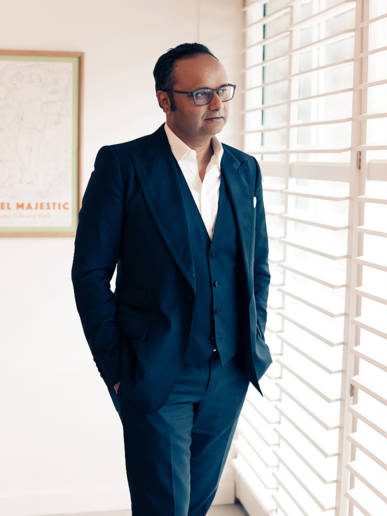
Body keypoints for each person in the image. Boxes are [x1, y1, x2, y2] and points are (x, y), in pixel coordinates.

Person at [71, 42, 272, 516]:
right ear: (165, 100)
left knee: (196, 506)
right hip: (156, 373)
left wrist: (252, 338)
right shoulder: (124, 165)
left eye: (222, 90)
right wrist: (118, 370)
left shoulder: (244, 170)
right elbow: (90, 273)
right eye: (201, 94)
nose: (217, 103)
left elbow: (257, 268)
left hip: (228, 374)